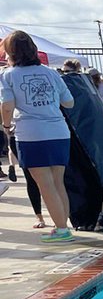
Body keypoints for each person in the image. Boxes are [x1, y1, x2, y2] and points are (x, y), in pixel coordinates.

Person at [0, 30, 76, 244]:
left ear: (12, 52)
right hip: (59, 131)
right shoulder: (51, 73)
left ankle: (61, 230)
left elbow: (7, 105)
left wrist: (7, 125)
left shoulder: (7, 75)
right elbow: (69, 102)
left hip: (32, 133)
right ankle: (63, 225)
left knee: (45, 184)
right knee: (58, 181)